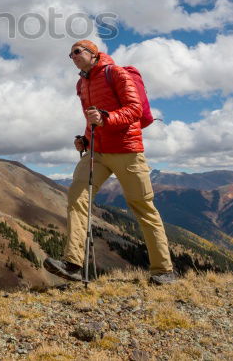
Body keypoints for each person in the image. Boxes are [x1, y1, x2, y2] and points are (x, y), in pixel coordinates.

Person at [44, 39, 178, 285]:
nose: (72, 56)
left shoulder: (115, 73)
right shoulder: (81, 83)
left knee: (143, 207)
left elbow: (134, 109)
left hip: (127, 149)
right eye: (70, 54)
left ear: (93, 53)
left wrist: (106, 119)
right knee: (76, 198)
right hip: (97, 151)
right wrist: (85, 140)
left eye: (76, 51)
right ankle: (72, 264)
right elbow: (91, 119)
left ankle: (163, 271)